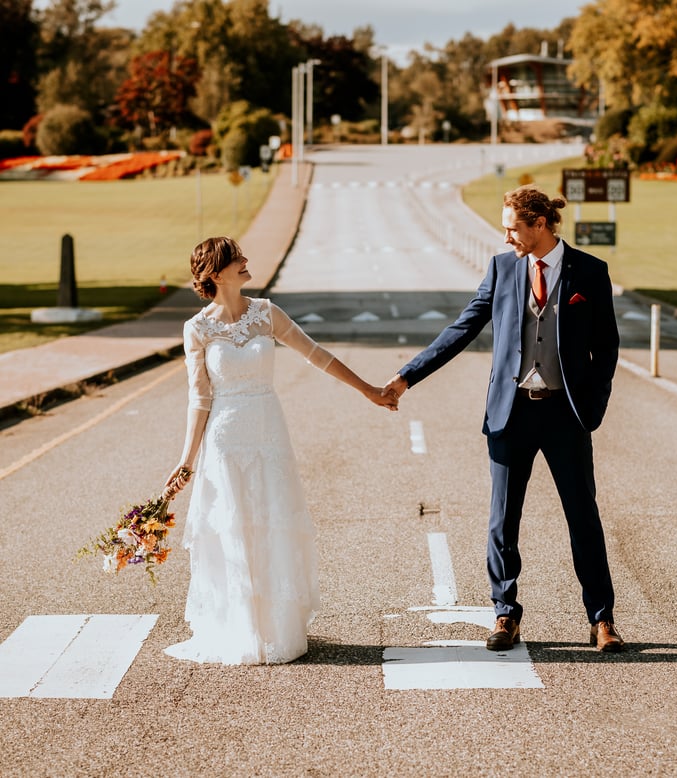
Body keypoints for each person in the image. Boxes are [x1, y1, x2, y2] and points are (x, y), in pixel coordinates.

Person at [384, 185, 624, 653]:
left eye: (512, 228)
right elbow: (462, 329)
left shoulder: (590, 272)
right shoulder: (502, 268)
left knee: (583, 518)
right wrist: (406, 377)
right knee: (502, 521)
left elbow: (607, 347)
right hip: (511, 413)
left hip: (566, 414)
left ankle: (602, 620)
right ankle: (505, 613)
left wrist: (592, 406)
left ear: (540, 224)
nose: (506, 236)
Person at [163, 236, 398, 665]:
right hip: (225, 439)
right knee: (233, 529)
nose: (246, 260)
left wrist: (367, 390)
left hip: (268, 432)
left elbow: (317, 355)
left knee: (272, 524)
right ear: (216, 274)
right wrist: (186, 460)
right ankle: (240, 629)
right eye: (236, 258)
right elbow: (199, 397)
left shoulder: (266, 313)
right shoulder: (197, 329)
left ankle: (276, 629)